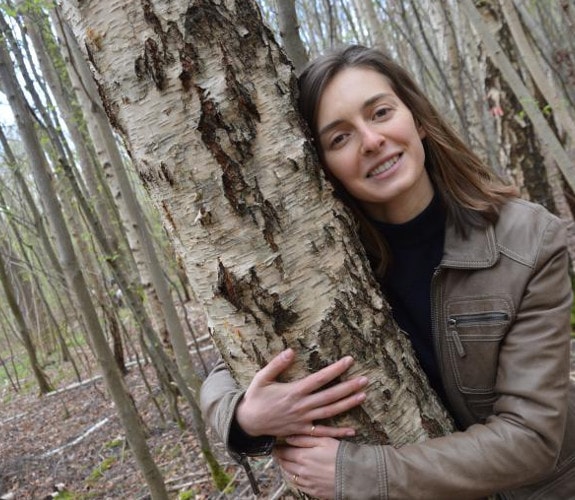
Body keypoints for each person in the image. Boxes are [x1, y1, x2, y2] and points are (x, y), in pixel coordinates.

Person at [200, 45, 575, 499]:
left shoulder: (528, 239)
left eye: (380, 112)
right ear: (318, 164)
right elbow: (227, 363)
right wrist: (243, 418)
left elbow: (532, 439)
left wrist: (362, 474)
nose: (372, 140)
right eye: (340, 138)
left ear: (416, 118)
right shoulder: (321, 261)